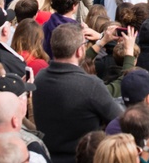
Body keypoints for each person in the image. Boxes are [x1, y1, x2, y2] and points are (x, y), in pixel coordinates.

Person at [33, 23, 121, 163]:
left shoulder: (39, 79)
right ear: (80, 51)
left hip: (48, 157)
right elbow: (119, 119)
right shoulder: (90, 85)